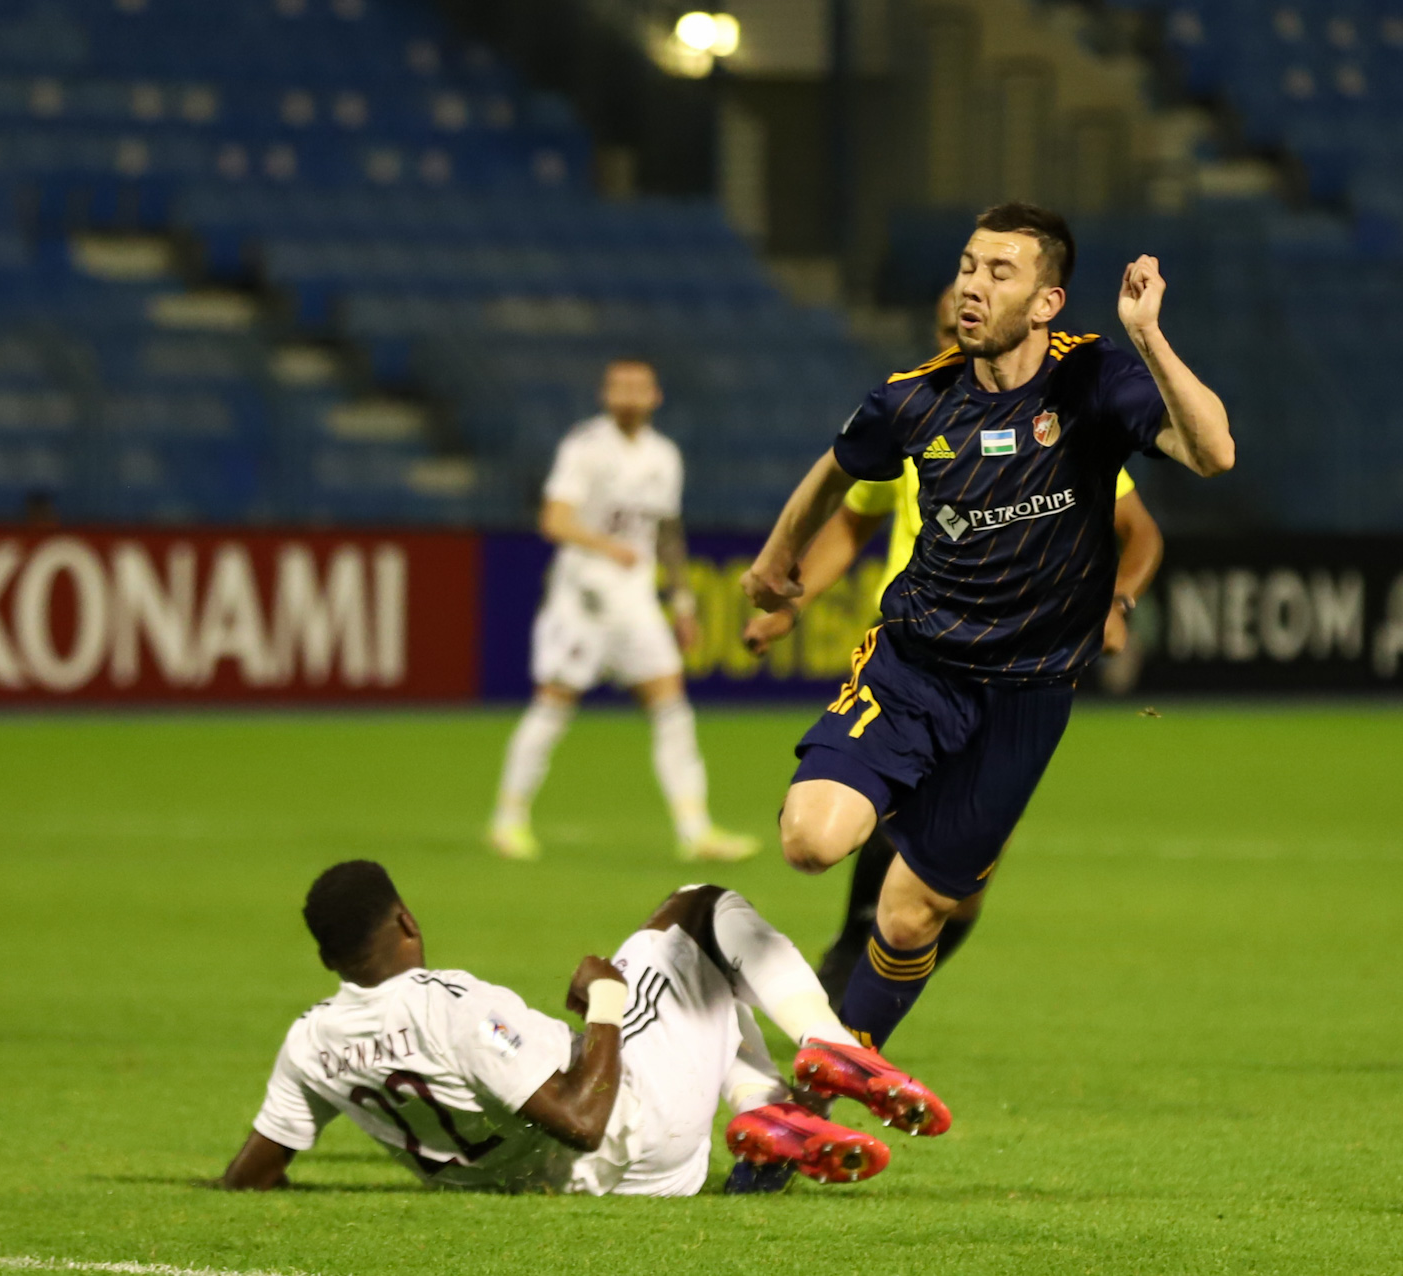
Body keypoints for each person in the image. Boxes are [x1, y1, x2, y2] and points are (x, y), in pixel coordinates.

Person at [740, 202, 1234, 1051]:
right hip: (914, 667)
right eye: (968, 266)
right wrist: (777, 558)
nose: (972, 285)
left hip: (1027, 698)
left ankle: (822, 1095)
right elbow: (837, 469)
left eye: (999, 273)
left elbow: (1213, 452)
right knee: (812, 841)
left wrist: (1148, 335)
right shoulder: (914, 400)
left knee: (911, 914)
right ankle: (718, 968)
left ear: (1047, 302)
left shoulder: (1094, 380)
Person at [222, 861, 950, 1197]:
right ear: (407, 921)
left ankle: (769, 1112)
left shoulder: (310, 1043)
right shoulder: (452, 1003)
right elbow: (582, 1121)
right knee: (696, 911)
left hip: (548, 1183)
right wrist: (604, 1000)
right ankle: (825, 1040)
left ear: (328, 959)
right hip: (634, 1138)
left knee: (708, 990)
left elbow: (251, 1176)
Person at [486, 359, 758, 863]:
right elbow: (554, 520)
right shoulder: (585, 447)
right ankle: (507, 820)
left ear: (655, 396)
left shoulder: (664, 456)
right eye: (620, 387)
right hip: (583, 597)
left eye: (639, 388)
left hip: (634, 599)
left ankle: (695, 830)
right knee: (554, 703)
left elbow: (667, 533)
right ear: (605, 395)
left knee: (671, 705)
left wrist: (681, 601)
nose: (630, 396)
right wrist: (605, 546)